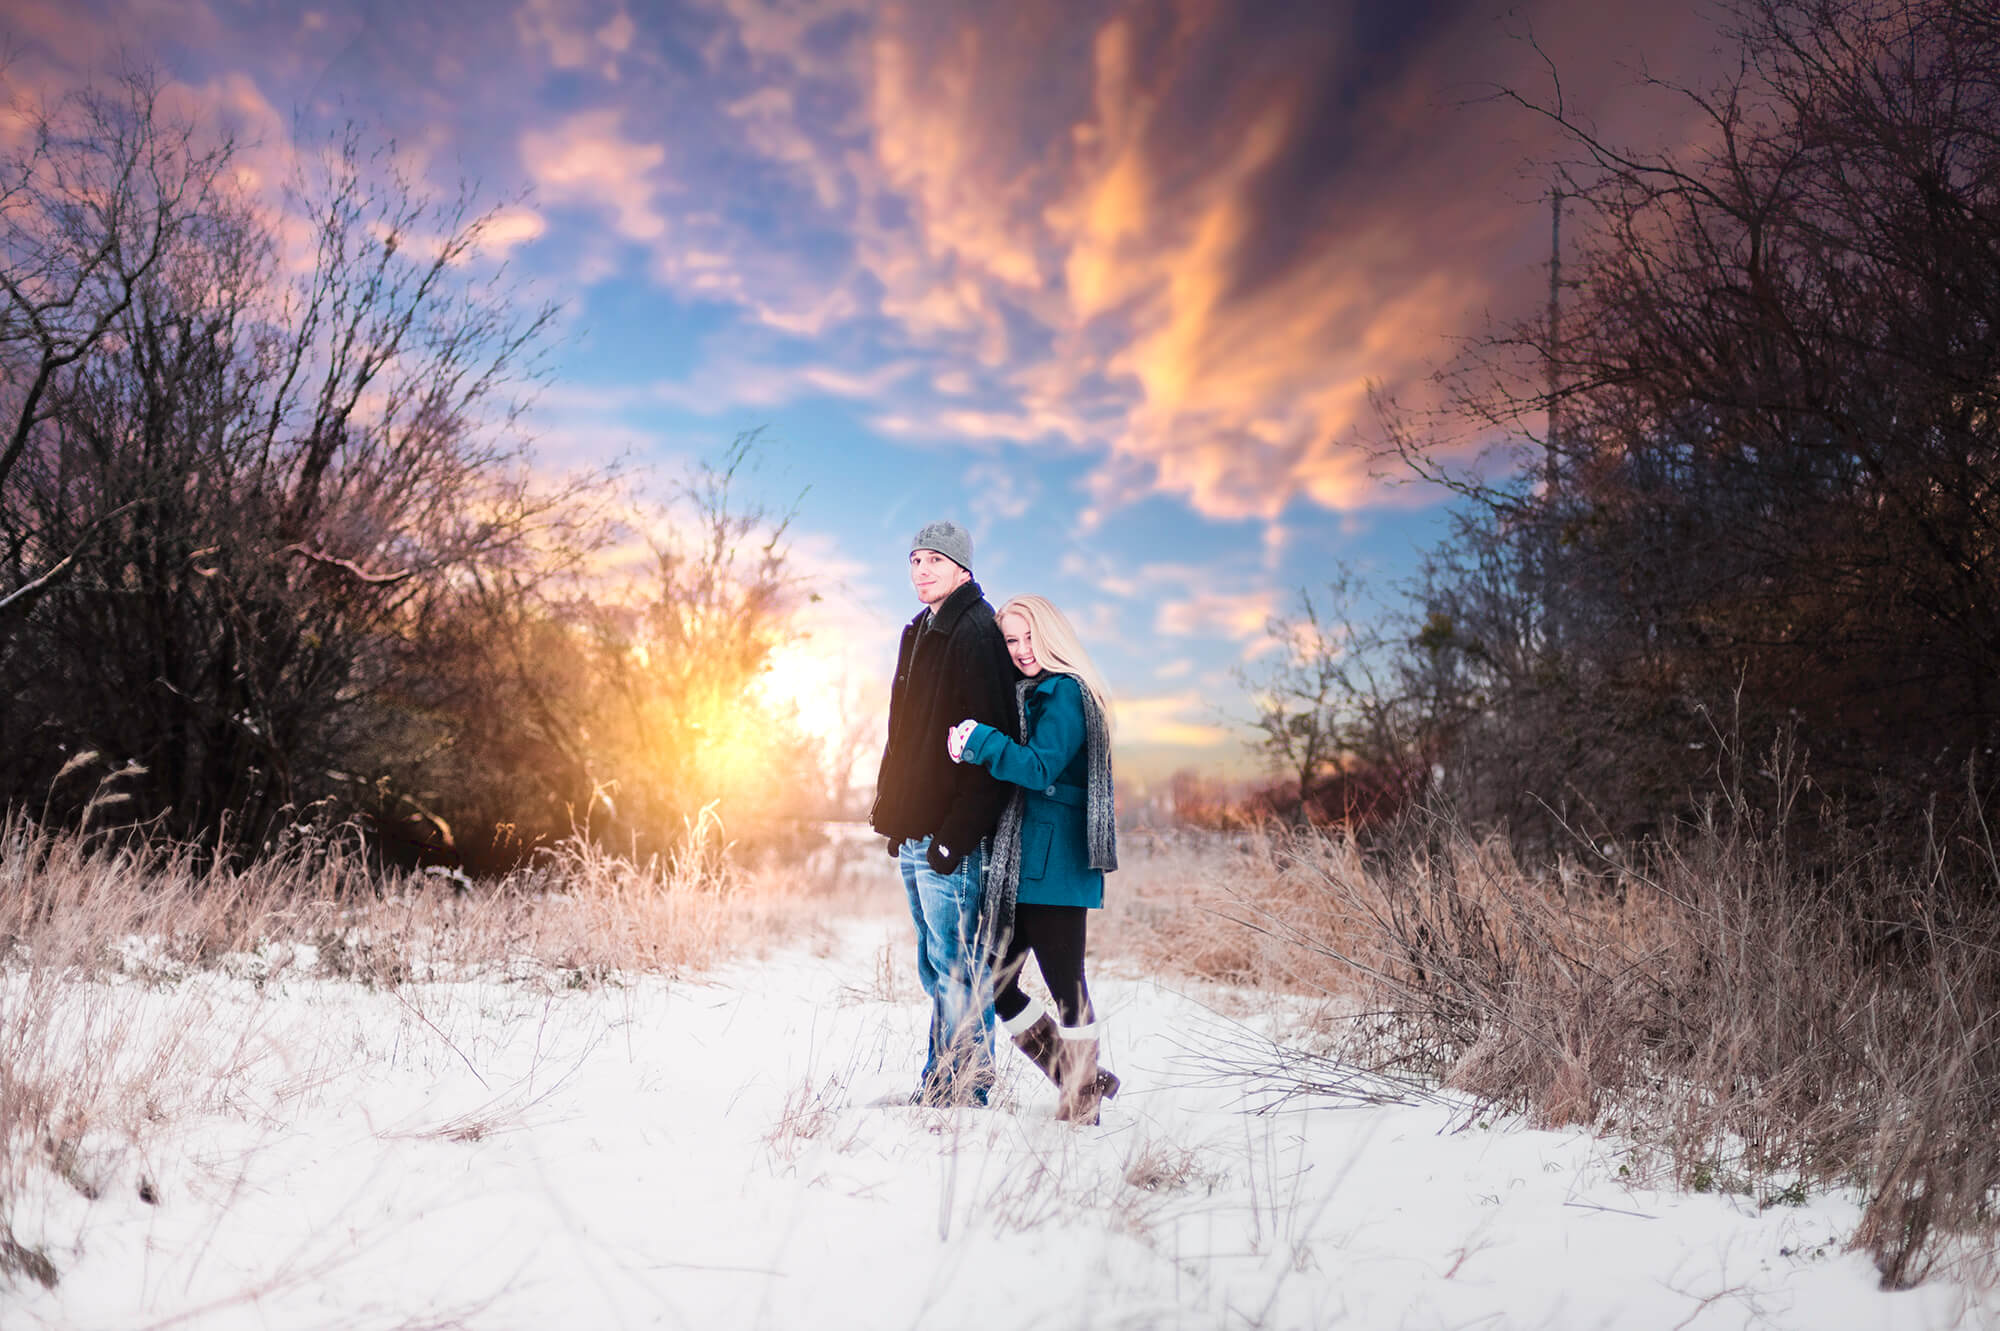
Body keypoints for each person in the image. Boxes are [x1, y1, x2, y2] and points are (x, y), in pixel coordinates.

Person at [946, 594, 1120, 1124]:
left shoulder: (1065, 693)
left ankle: (1082, 1101)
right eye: (1011, 641)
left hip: (1060, 864)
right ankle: (1077, 1081)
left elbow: (1041, 767)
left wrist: (982, 741)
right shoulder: (1033, 692)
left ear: (1050, 636)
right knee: (996, 979)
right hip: (1028, 864)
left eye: (1029, 638)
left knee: (1067, 984)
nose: (1021, 650)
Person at [870, 520, 1018, 1106]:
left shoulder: (975, 632)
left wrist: (955, 836)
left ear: (962, 568)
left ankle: (960, 1087)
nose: (921, 569)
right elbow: (904, 736)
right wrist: (896, 818)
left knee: (958, 967)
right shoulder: (921, 630)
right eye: (914, 560)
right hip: (917, 830)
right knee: (938, 968)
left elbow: (991, 743)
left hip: (950, 839)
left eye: (934, 559)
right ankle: (949, 1080)